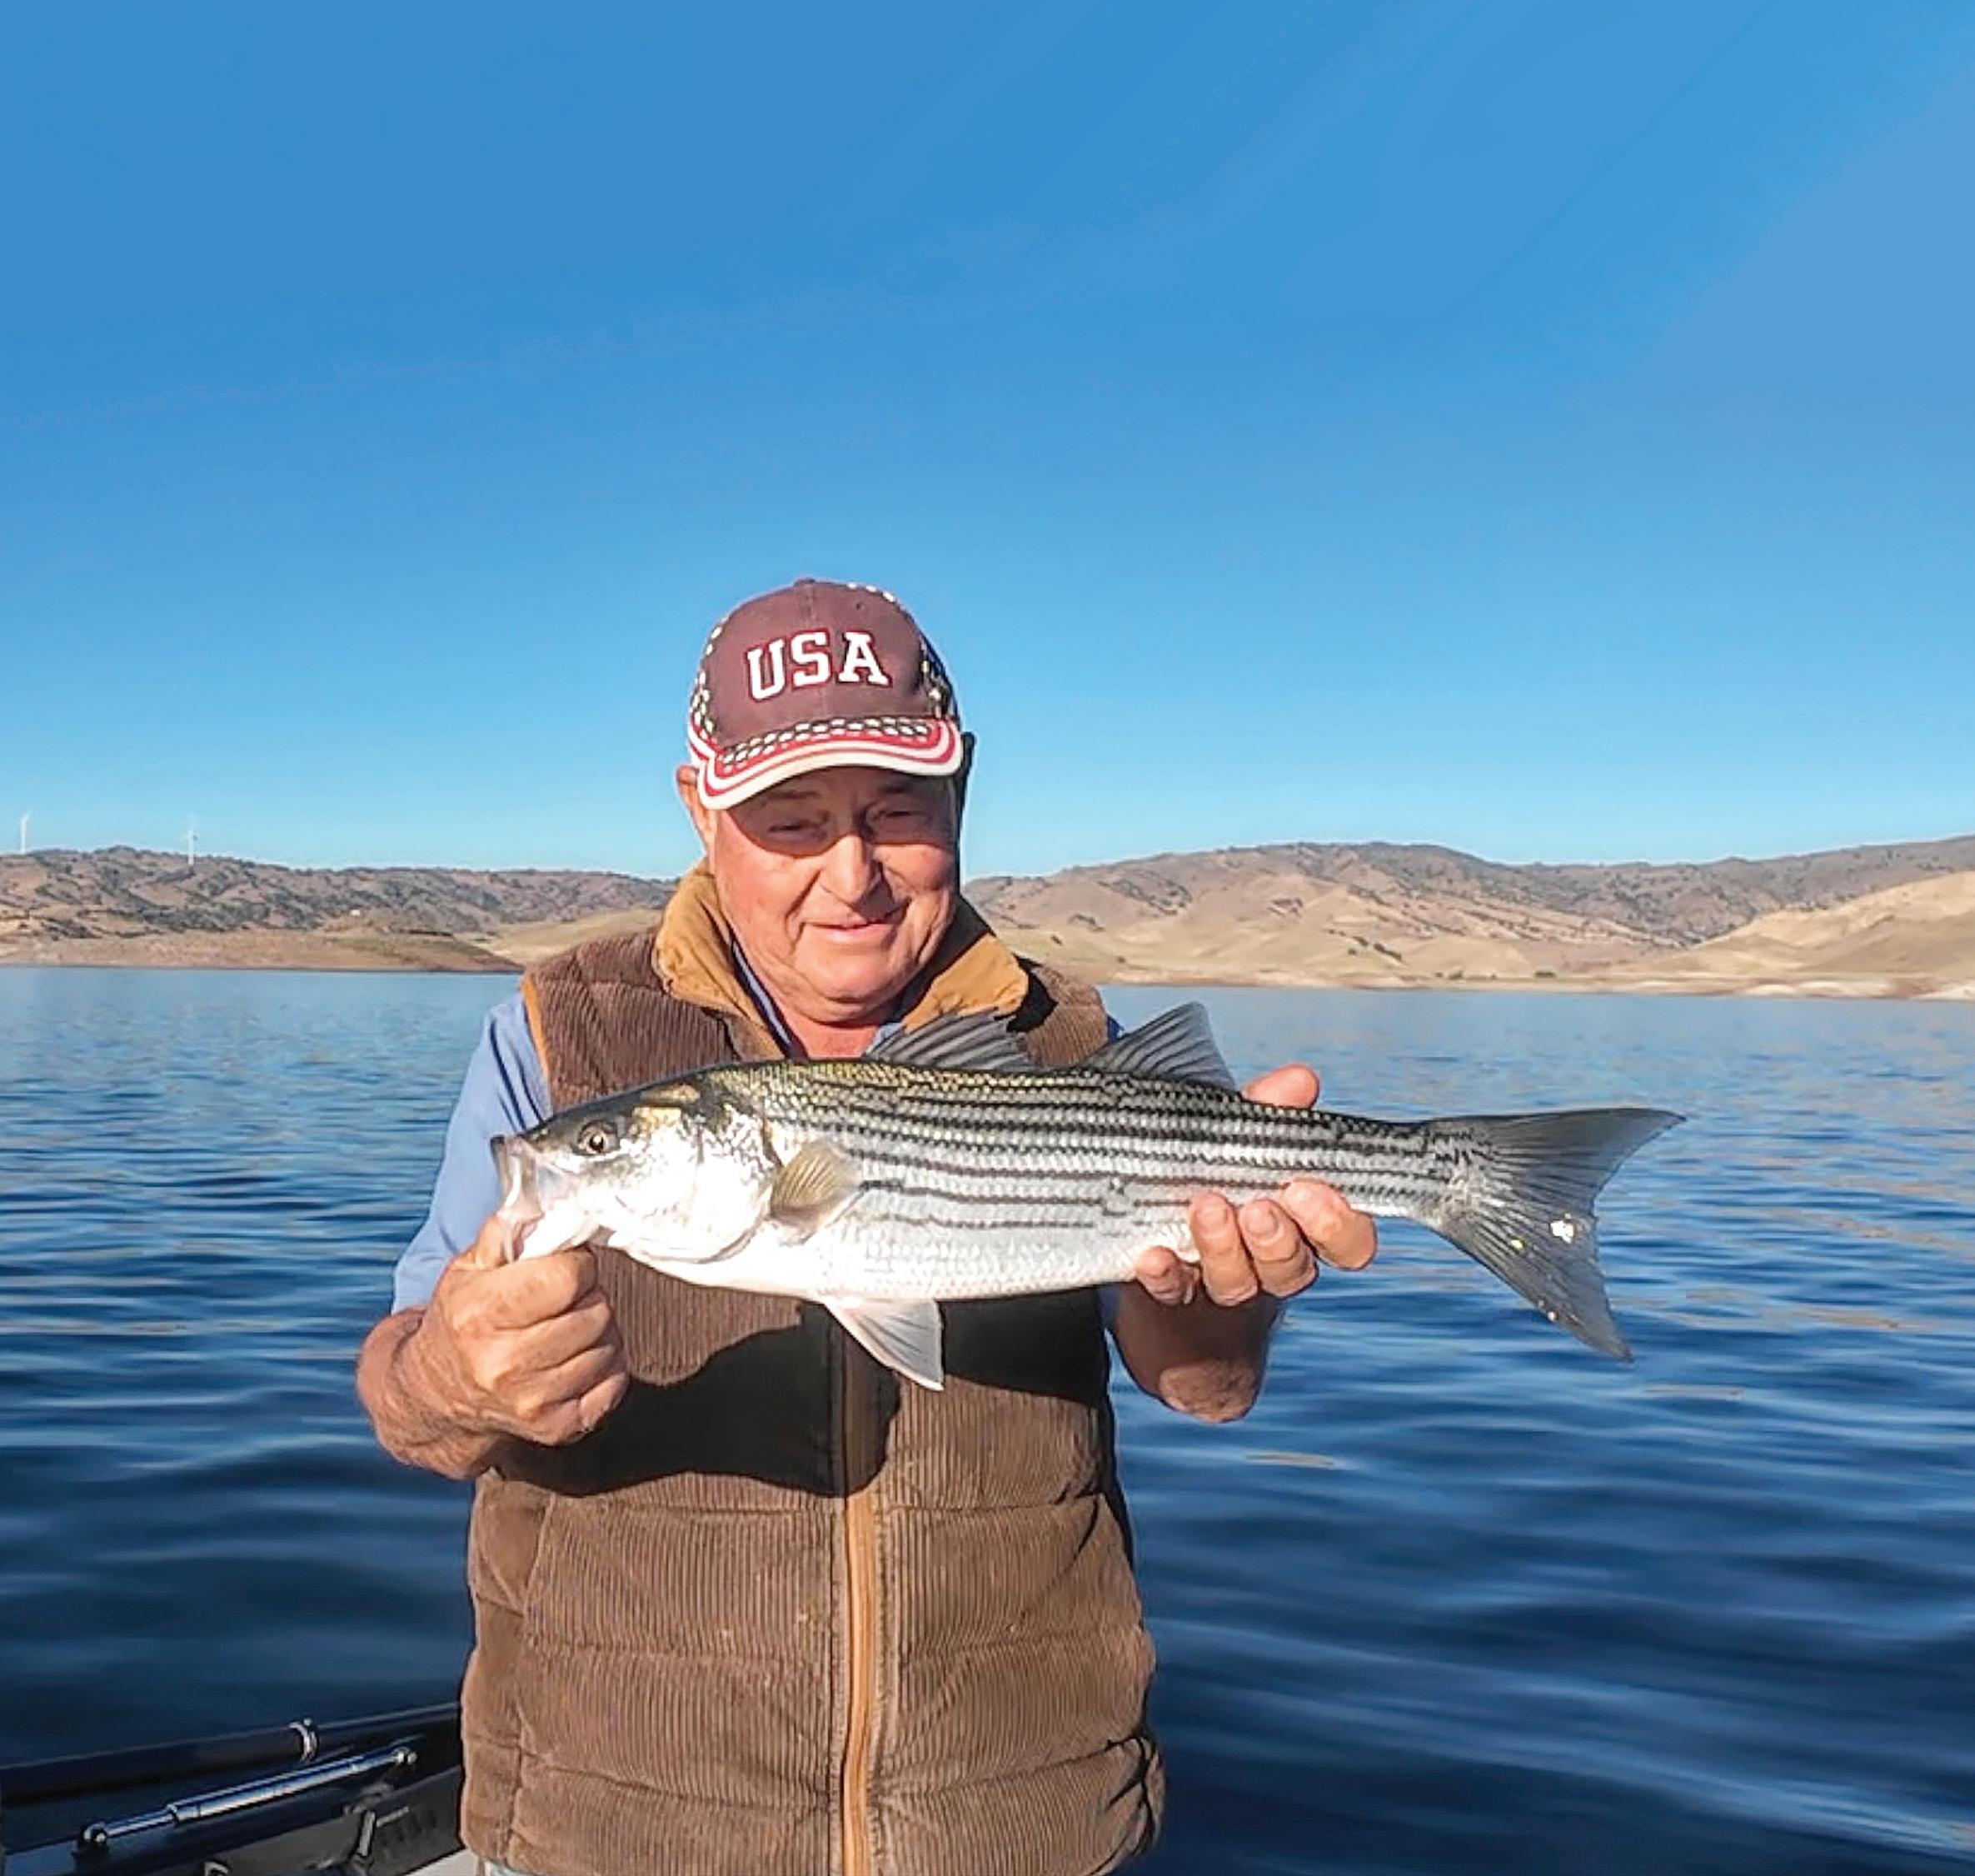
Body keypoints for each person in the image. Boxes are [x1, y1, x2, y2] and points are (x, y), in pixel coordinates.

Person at [357, 578, 1376, 1876]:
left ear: (963, 789)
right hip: (614, 1831)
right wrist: (454, 1378)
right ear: (701, 809)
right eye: (792, 821)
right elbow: (411, 1411)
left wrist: (1232, 1295)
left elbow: (1208, 1389)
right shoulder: (555, 1039)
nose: (853, 876)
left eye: (897, 811)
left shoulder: (1071, 1042)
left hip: (1021, 1826)